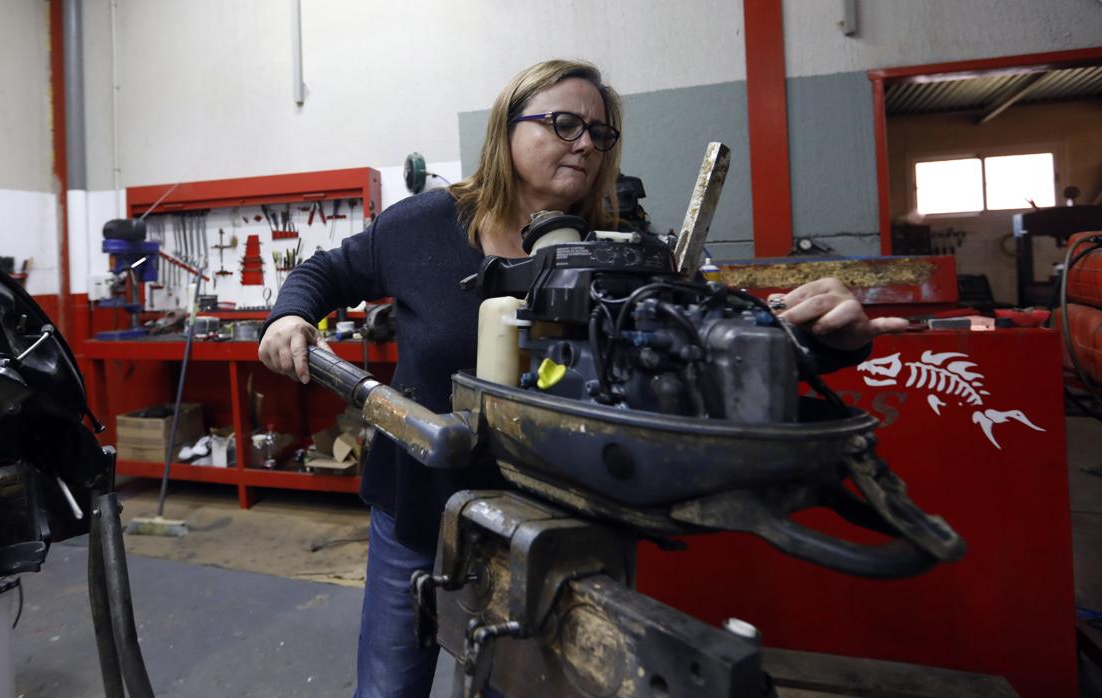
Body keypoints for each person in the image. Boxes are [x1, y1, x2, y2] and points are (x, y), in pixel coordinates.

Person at [258, 58, 908, 697]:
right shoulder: (423, 225)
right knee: (392, 682)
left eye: (600, 133)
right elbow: (327, 271)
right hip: (422, 507)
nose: (585, 145)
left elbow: (698, 358)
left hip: (562, 522)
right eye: (564, 123)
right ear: (507, 128)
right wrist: (290, 317)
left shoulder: (624, 248)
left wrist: (816, 343)